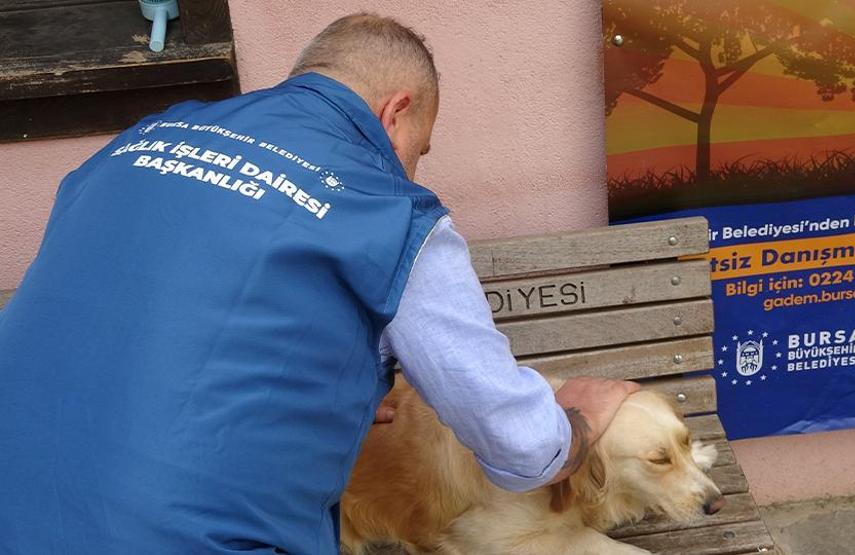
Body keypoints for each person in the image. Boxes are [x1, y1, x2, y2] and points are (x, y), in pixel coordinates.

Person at [0, 13, 638, 555]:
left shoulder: (138, 141)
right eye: (422, 147)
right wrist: (576, 420)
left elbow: (146, 324)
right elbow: (522, 448)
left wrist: (338, 391)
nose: (413, 166)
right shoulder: (389, 210)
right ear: (397, 112)